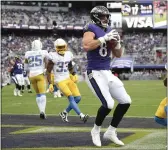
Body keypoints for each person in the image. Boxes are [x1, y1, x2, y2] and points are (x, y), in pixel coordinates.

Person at [82, 6, 131, 147]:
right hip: (94, 72)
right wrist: (103, 39)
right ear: (96, 17)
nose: (106, 19)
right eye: (103, 16)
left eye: (107, 16)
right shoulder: (90, 27)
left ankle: (111, 131)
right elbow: (86, 45)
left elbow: (118, 54)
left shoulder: (110, 30)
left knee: (126, 100)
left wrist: (117, 43)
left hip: (107, 71)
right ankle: (95, 130)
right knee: (108, 104)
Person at [46, 38, 89, 123]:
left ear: (65, 46)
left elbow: (69, 66)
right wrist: (50, 84)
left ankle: (64, 112)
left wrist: (73, 74)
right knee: (71, 98)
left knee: (78, 98)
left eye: (63, 47)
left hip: (68, 79)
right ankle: (81, 115)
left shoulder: (68, 54)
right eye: (60, 47)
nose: (61, 48)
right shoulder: (52, 56)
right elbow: (48, 71)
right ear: (56, 47)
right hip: (59, 80)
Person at [24, 39, 48, 119]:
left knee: (38, 94)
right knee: (43, 94)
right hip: (40, 74)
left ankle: (40, 111)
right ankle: (42, 111)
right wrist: (45, 70)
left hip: (31, 76)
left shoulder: (27, 53)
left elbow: (26, 67)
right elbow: (47, 62)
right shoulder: (43, 52)